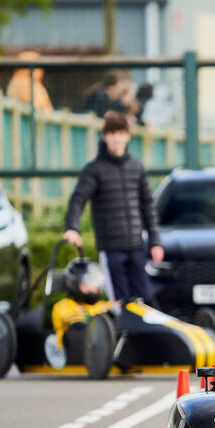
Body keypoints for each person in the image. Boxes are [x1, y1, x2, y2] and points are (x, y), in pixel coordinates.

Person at [63, 111, 163, 303]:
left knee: (147, 300)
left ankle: (143, 335)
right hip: (111, 249)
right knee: (120, 302)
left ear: (128, 135)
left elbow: (148, 206)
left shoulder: (137, 167)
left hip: (136, 247)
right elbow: (78, 199)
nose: (116, 138)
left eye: (120, 133)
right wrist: (72, 228)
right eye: (112, 133)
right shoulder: (94, 170)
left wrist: (155, 241)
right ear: (105, 137)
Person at [50, 258, 112, 353]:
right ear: (73, 283)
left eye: (95, 281)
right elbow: (80, 326)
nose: (94, 287)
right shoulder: (63, 306)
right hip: (75, 354)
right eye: (88, 282)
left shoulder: (100, 305)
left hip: (101, 356)